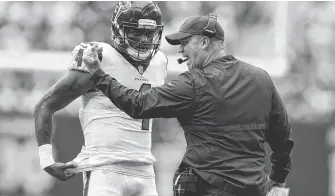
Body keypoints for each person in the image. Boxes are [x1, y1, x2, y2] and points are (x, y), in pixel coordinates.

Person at [81, 13, 294, 196]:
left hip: (209, 188)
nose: (181, 51)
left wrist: (98, 74)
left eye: (184, 43)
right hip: (254, 189)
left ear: (204, 42)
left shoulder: (194, 83)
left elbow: (137, 104)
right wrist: (278, 179)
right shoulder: (261, 79)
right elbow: (283, 138)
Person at [34, 1, 167, 196]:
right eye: (135, 32)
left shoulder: (160, 62)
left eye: (149, 33)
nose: (144, 40)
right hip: (104, 169)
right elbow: (45, 105)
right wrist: (46, 160)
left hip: (146, 171)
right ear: (118, 30)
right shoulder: (100, 57)